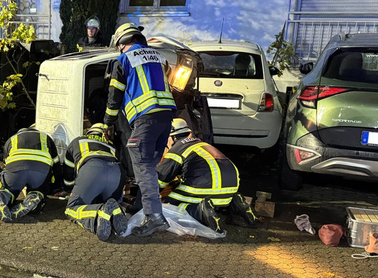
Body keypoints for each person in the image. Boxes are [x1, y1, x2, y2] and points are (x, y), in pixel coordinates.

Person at [103, 23, 176, 237]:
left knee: (142, 167)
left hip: (145, 118)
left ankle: (154, 217)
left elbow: (114, 97)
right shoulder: (158, 57)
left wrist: (108, 123)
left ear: (121, 42)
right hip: (165, 117)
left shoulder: (123, 60)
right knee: (149, 168)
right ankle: (140, 208)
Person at [157, 118, 257, 232]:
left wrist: (145, 197)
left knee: (170, 205)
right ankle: (234, 203)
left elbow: (160, 180)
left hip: (207, 186)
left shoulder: (177, 149)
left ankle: (200, 211)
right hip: (231, 186)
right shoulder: (201, 144)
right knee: (212, 199)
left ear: (172, 137)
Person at [62, 123, 128, 242]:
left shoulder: (77, 141)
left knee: (72, 208)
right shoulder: (111, 145)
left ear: (89, 132)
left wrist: (69, 189)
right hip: (117, 172)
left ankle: (98, 214)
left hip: (92, 170)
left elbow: (67, 171)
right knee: (107, 202)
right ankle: (115, 212)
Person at [0, 127, 62, 223]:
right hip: (39, 172)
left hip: (16, 171)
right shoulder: (46, 137)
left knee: (8, 189)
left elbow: (6, 164)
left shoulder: (11, 139)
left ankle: (2, 197)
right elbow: (56, 164)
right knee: (40, 189)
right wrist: (56, 186)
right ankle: (35, 199)